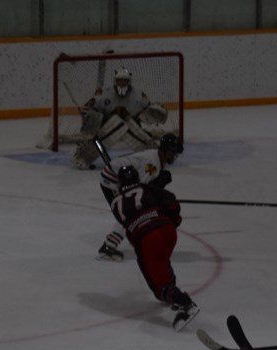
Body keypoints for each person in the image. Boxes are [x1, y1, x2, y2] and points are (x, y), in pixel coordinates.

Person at [109, 164, 198, 331]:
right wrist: (174, 218)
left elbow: (128, 228)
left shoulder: (115, 203)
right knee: (160, 259)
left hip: (146, 237)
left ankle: (184, 304)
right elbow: (170, 200)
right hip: (167, 230)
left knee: (158, 286)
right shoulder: (147, 187)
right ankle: (170, 285)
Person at [98, 133, 183, 262]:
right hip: (112, 180)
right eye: (173, 153)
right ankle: (108, 247)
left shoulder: (157, 159)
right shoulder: (152, 163)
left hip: (119, 178)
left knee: (132, 211)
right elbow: (139, 189)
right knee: (131, 212)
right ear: (164, 150)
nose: (174, 157)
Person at [71, 67, 169, 170]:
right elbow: (88, 108)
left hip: (130, 127)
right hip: (107, 128)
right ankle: (82, 156)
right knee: (105, 119)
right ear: (115, 81)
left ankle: (156, 156)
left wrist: (153, 113)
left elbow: (149, 110)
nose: (122, 83)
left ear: (129, 81)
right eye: (119, 80)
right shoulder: (104, 92)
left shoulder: (138, 94)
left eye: (125, 80)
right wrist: (92, 121)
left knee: (125, 124)